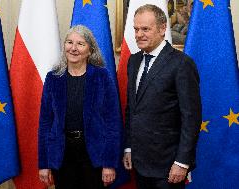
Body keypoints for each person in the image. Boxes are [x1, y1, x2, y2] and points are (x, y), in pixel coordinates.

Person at [123, 4, 202, 189]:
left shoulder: (182, 64)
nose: (139, 34)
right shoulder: (133, 61)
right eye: (136, 29)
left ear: (162, 29)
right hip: (140, 162)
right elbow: (132, 110)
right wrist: (129, 147)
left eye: (145, 29)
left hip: (169, 165)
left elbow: (191, 117)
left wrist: (182, 162)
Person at [38, 25, 122, 189]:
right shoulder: (53, 78)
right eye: (69, 42)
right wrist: (44, 163)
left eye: (80, 44)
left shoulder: (102, 76)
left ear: (90, 50)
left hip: (94, 156)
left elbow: (113, 123)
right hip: (62, 155)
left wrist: (109, 163)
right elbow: (45, 123)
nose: (73, 48)